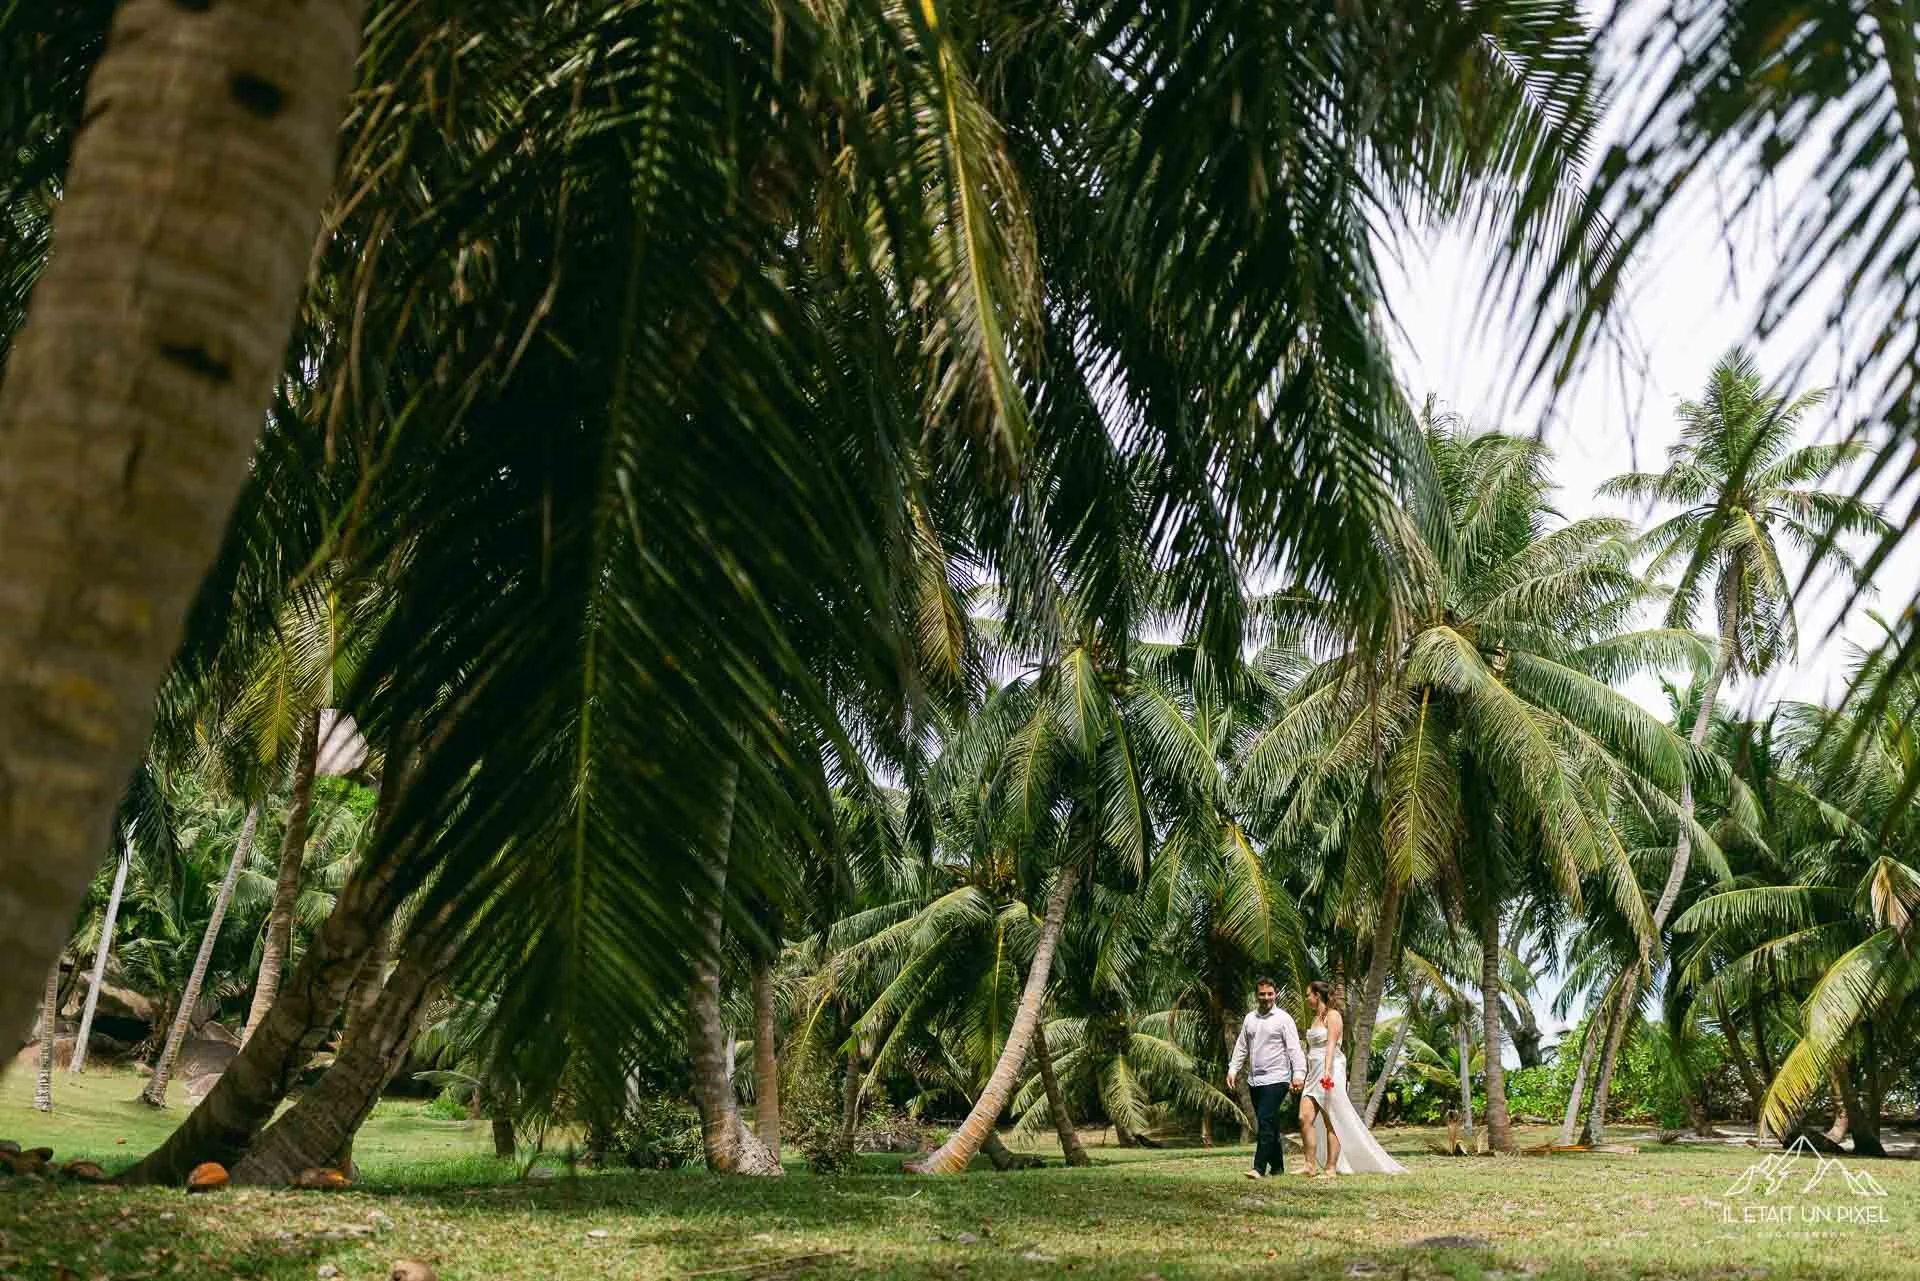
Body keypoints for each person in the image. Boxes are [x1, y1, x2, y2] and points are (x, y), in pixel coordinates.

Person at [1299, 979, 1407, 1176]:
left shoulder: (1333, 1016)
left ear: (1317, 995)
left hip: (1330, 1070)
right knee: (1304, 1117)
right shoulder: (1315, 1019)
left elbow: (1331, 1044)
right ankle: (1309, 1165)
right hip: (1312, 1073)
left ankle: (1331, 1167)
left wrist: (1327, 1069)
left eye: (1308, 995)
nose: (1306, 998)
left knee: (1331, 1119)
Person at [1225, 976, 1305, 1179]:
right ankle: (1277, 1167)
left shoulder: (1284, 1019)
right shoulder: (1250, 1019)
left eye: (1270, 994)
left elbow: (1294, 1048)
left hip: (1277, 1079)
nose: (1266, 997)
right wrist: (1233, 1069)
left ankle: (1258, 1167)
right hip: (1255, 1080)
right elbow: (1242, 1047)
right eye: (1262, 994)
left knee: (1265, 1121)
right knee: (1271, 1123)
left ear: (1275, 994)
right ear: (1256, 995)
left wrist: (1298, 1074)